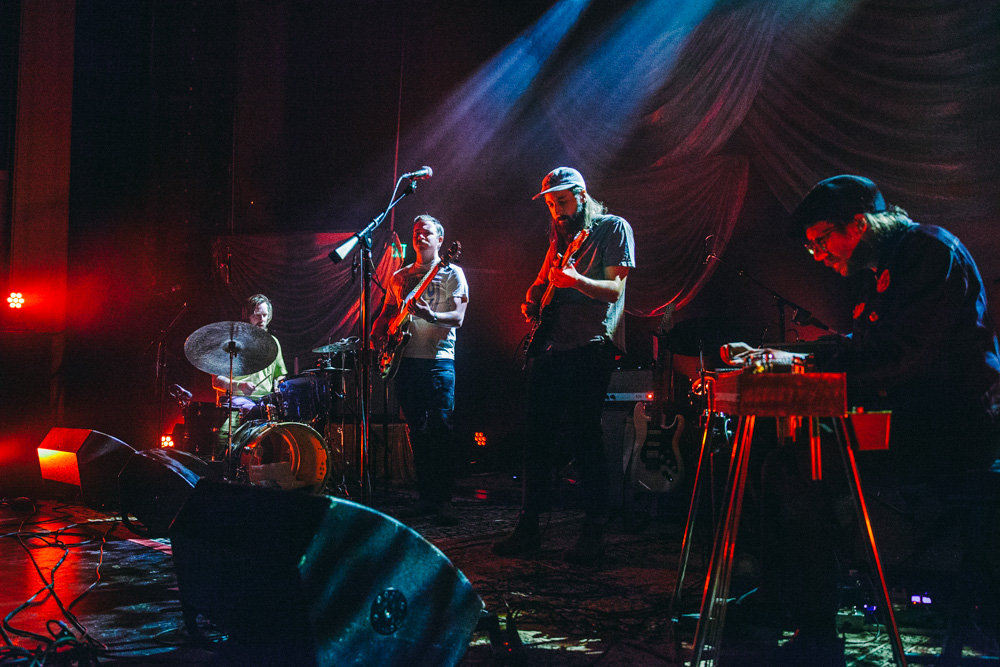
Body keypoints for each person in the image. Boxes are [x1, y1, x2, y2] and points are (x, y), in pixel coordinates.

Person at [736, 175, 1000, 665]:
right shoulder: (889, 268)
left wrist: (816, 372)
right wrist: (787, 355)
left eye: (821, 240)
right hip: (913, 422)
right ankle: (782, 600)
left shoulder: (929, 253)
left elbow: (907, 358)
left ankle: (815, 631)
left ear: (858, 225)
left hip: (951, 430)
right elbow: (864, 349)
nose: (817, 255)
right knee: (775, 461)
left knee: (797, 470)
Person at [492, 167, 636, 564]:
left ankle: (594, 529)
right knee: (536, 436)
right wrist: (532, 296)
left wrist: (575, 281)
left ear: (582, 195)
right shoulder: (560, 239)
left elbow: (615, 289)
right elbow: (541, 283)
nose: (557, 210)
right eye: (552, 204)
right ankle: (530, 525)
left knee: (584, 433)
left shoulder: (612, 227)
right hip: (553, 344)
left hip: (591, 343)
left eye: (562, 201)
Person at [376, 214, 469, 526]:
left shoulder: (451, 272)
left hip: (439, 361)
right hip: (405, 360)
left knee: (440, 429)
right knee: (417, 431)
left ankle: (444, 499)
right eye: (416, 232)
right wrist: (385, 331)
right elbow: (387, 315)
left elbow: (458, 317)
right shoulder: (400, 277)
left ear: (440, 240)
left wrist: (431, 316)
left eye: (427, 232)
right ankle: (425, 496)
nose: (420, 237)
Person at [212, 294, 288, 428]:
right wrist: (239, 385)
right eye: (257, 315)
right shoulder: (232, 342)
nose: (262, 319)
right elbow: (217, 380)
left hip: (265, 400)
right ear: (247, 315)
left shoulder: (273, 342)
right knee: (256, 411)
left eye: (265, 315)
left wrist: (277, 385)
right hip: (235, 398)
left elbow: (280, 374)